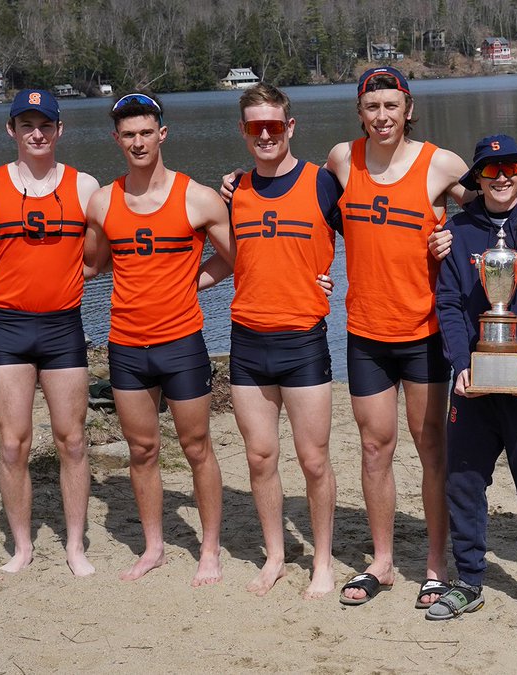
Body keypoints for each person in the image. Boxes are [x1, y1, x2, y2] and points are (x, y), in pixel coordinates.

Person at [326, 66, 517, 607]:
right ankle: (383, 562)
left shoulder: (441, 163)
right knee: (372, 446)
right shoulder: (342, 160)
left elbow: (488, 201)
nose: (382, 116)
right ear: (360, 113)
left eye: (392, 105)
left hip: (421, 330)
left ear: (409, 108)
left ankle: (438, 566)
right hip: (365, 328)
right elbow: (311, 209)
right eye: (372, 107)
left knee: (433, 449)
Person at [83, 93, 235, 586]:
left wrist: (191, 281)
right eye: (128, 135)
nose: (138, 142)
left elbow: (234, 259)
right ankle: (153, 546)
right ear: (117, 140)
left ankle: (209, 547)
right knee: (142, 450)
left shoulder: (198, 197)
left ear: (162, 134)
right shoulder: (104, 200)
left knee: (196, 447)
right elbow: (92, 263)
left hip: (182, 343)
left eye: (146, 132)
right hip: (125, 345)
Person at [0, 89, 100, 577]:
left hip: (63, 328)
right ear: (11, 131)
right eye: (26, 125)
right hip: (9, 329)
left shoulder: (84, 188)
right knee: (13, 443)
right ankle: (22, 547)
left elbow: (107, 249)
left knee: (72, 440)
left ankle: (75, 546)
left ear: (60, 130)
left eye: (45, 125)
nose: (36, 133)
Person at [429, 135, 517, 624]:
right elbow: (447, 303)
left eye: (510, 167)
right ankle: (468, 580)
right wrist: (459, 362)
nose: (502, 176)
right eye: (490, 170)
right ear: (477, 178)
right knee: (464, 483)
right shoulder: (459, 230)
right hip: (473, 384)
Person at [225, 83, 339, 598]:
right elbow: (219, 255)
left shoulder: (322, 184)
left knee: (314, 460)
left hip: (303, 341)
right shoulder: (234, 191)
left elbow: (371, 237)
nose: (266, 134)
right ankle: (274, 555)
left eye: (274, 125)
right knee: (260, 458)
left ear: (290, 127)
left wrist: (336, 275)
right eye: (256, 127)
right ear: (245, 131)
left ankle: (322, 560)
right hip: (247, 343)